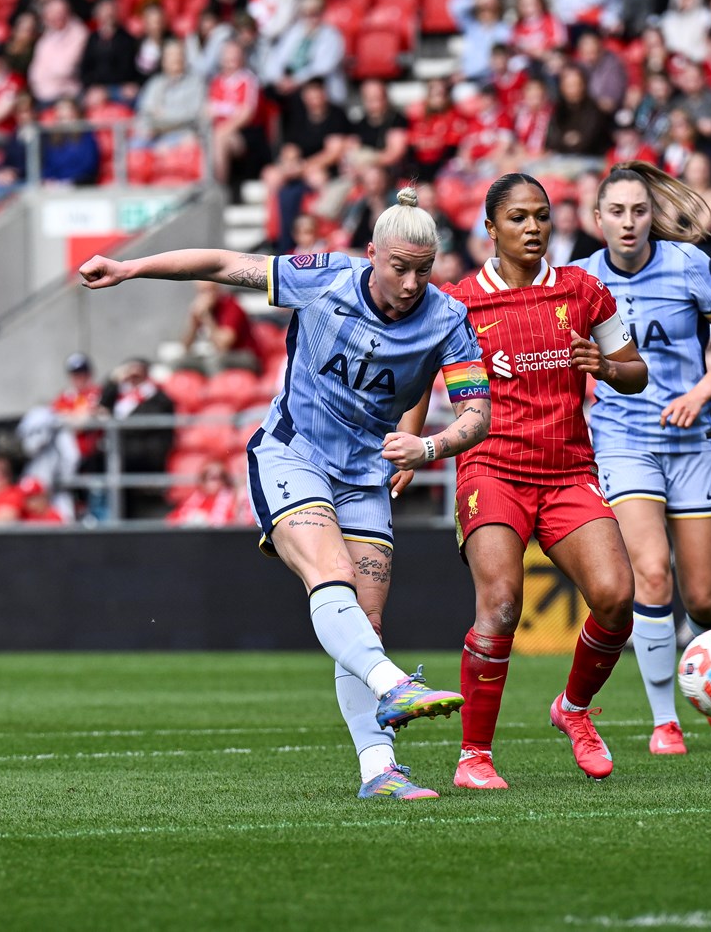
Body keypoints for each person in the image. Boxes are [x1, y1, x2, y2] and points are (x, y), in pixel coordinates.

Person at [78, 189, 492, 801]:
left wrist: (428, 447)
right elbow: (223, 263)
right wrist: (130, 267)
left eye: (423, 271)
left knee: (366, 624)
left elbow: (477, 415)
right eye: (399, 268)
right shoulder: (324, 277)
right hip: (293, 454)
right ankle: (395, 686)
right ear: (371, 254)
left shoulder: (448, 319)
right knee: (331, 574)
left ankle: (380, 771)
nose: (411, 284)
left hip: (364, 475)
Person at [391, 172, 647, 789]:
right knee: (502, 603)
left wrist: (607, 368)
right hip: (491, 466)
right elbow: (419, 380)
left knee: (616, 597)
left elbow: (636, 372)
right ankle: (473, 757)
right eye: (518, 218)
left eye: (541, 216)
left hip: (568, 470)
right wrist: (408, 448)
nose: (533, 228)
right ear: (491, 228)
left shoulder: (585, 291)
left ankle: (574, 709)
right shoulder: (457, 303)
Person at [576, 164, 711, 756]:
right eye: (617, 212)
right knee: (651, 573)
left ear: (653, 215)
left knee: (702, 597)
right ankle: (664, 720)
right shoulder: (580, 281)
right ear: (598, 219)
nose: (629, 222)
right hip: (623, 440)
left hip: (693, 441)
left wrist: (699, 394)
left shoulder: (687, 265)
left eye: (639, 210)